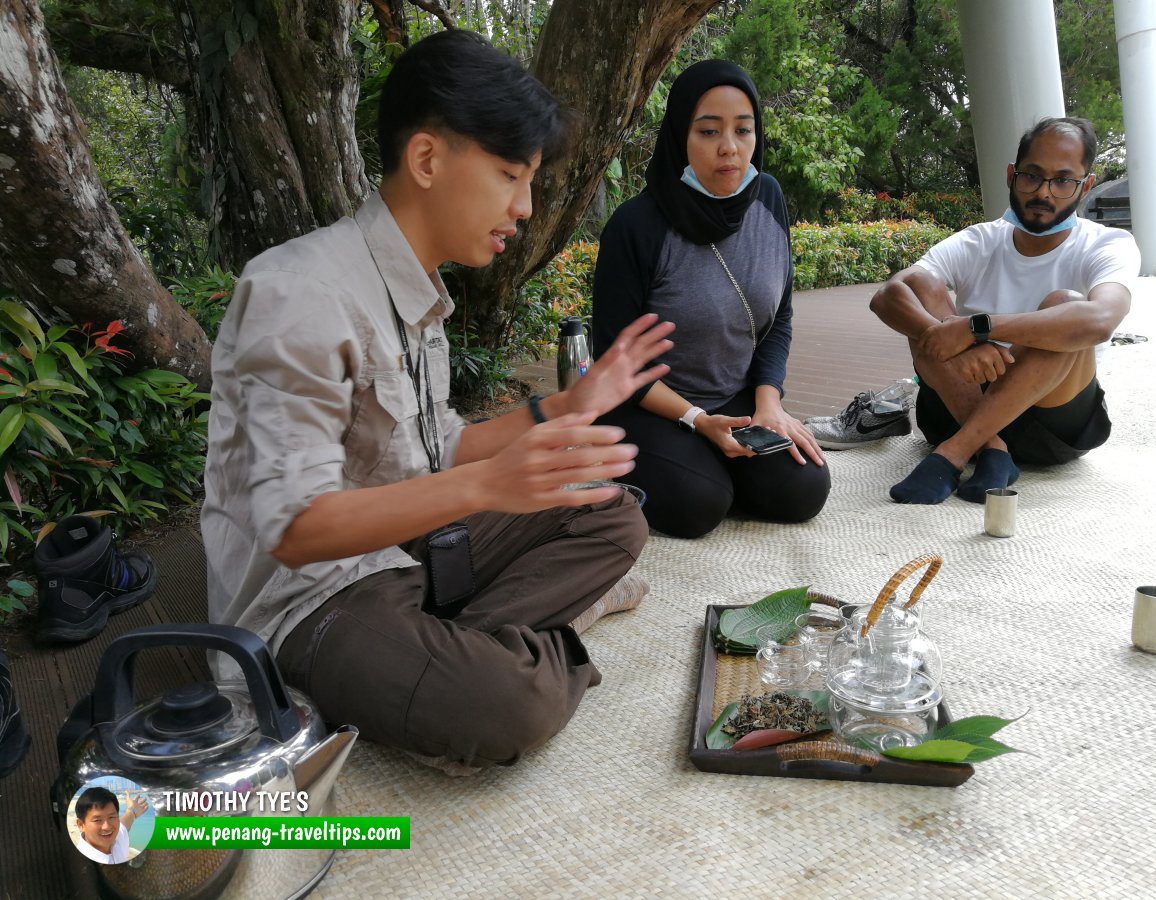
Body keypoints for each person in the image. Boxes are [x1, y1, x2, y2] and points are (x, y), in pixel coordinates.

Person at [201, 30, 675, 773]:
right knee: (516, 705)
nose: (524, 207)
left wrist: (569, 405)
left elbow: (439, 445)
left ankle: (448, 651)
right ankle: (500, 652)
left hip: (406, 547)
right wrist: (488, 487)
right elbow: (292, 529)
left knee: (611, 510)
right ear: (427, 159)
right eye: (510, 175)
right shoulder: (298, 292)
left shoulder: (419, 295)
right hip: (310, 604)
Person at [592, 60, 829, 539]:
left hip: (736, 396)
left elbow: (778, 318)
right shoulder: (636, 227)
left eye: (744, 131)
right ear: (681, 134)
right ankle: (688, 463)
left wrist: (769, 405)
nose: (730, 148)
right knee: (697, 505)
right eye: (708, 131)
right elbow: (615, 361)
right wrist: (698, 422)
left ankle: (715, 464)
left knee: (803, 489)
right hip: (650, 404)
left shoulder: (768, 199)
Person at [870, 116, 1140, 505]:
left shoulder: (1108, 244)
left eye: (1063, 180)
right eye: (1032, 175)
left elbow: (1101, 320)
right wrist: (947, 335)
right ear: (1012, 175)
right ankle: (991, 448)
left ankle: (955, 453)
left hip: (1051, 423)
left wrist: (974, 329)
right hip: (957, 401)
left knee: (1066, 307)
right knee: (918, 286)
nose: (1043, 192)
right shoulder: (980, 240)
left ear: (1086, 186)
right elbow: (887, 296)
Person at [74, 786, 148, 864]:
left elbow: (124, 825)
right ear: (81, 825)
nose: (107, 827)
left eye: (111, 817)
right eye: (97, 820)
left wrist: (132, 811)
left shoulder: (117, 838)